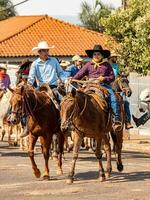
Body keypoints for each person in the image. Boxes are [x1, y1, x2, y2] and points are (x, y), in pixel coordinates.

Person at [20, 41, 67, 137]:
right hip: (40, 89)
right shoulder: (35, 64)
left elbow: (61, 73)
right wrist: (28, 85)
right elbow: (31, 77)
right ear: (39, 52)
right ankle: (25, 126)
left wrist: (65, 80)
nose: (46, 52)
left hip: (53, 87)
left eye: (47, 50)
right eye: (44, 51)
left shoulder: (54, 61)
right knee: (26, 103)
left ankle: (64, 124)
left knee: (64, 102)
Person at [73, 44, 122, 132]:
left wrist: (104, 78)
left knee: (113, 99)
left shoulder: (107, 65)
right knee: (77, 98)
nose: (96, 56)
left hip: (104, 85)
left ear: (102, 55)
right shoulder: (88, 64)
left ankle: (116, 119)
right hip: (89, 85)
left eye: (98, 54)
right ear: (92, 55)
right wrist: (72, 79)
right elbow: (79, 74)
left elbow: (112, 77)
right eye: (95, 54)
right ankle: (74, 120)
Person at [108, 52, 133, 129]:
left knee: (125, 102)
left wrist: (121, 75)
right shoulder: (107, 66)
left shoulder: (116, 66)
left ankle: (127, 121)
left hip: (117, 85)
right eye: (114, 57)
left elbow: (118, 75)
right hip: (108, 85)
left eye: (116, 57)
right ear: (110, 58)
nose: (116, 58)